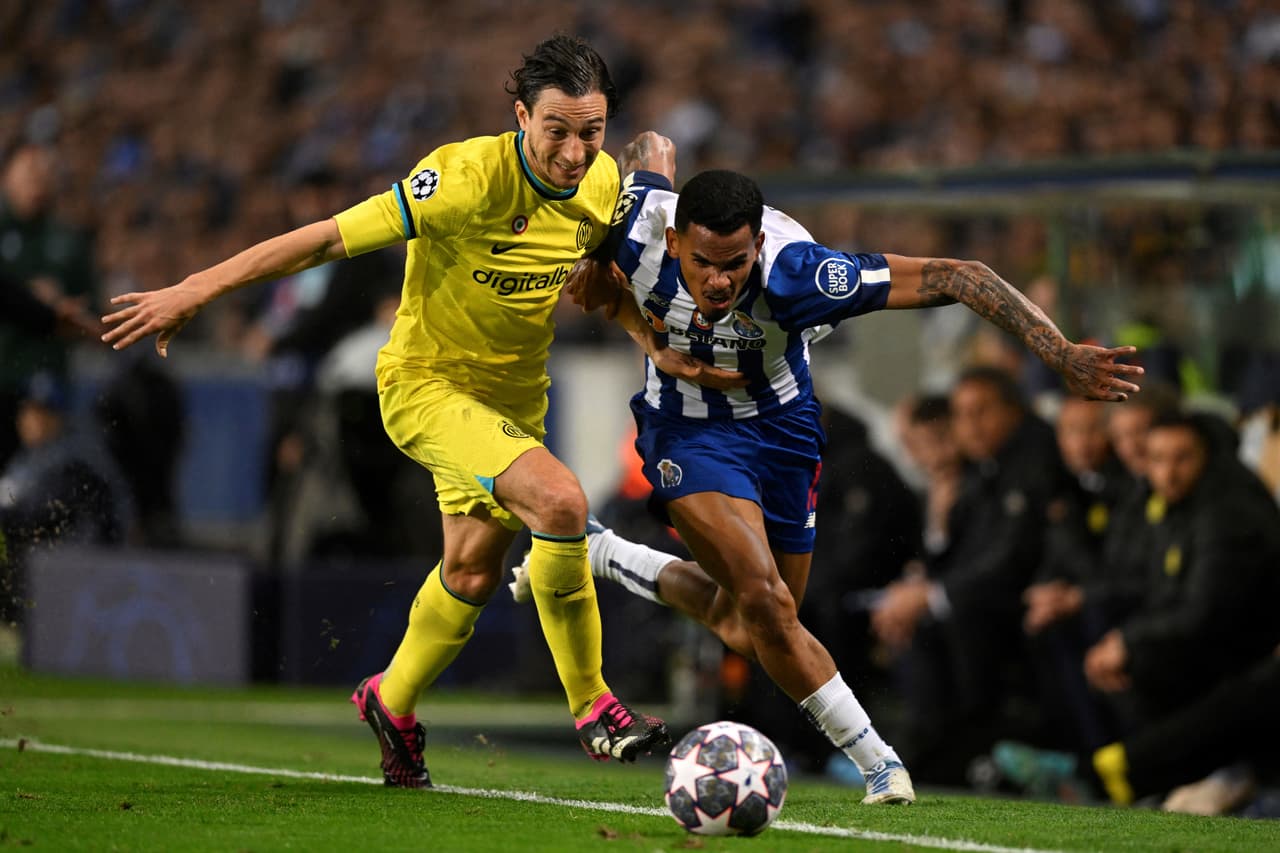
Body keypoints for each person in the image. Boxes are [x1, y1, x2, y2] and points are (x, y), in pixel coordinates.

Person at [99, 36, 734, 789]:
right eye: (555, 129)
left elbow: (596, 285)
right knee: (561, 502)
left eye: (590, 133)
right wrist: (195, 288)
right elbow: (325, 238)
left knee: (468, 573)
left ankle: (390, 700)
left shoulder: (600, 188)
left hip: (515, 397)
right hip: (428, 385)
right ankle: (594, 705)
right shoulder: (461, 178)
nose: (572, 151)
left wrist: (647, 341)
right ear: (520, 115)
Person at [515, 132, 1142, 806]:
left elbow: (961, 275)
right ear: (673, 245)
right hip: (687, 429)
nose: (720, 280)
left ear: (758, 245)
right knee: (766, 599)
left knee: (746, 622)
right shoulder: (637, 229)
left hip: (783, 432)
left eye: (735, 262)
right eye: (703, 264)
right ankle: (880, 762)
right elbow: (646, 149)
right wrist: (597, 260)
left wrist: (1060, 353)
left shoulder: (803, 274)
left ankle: (603, 550)